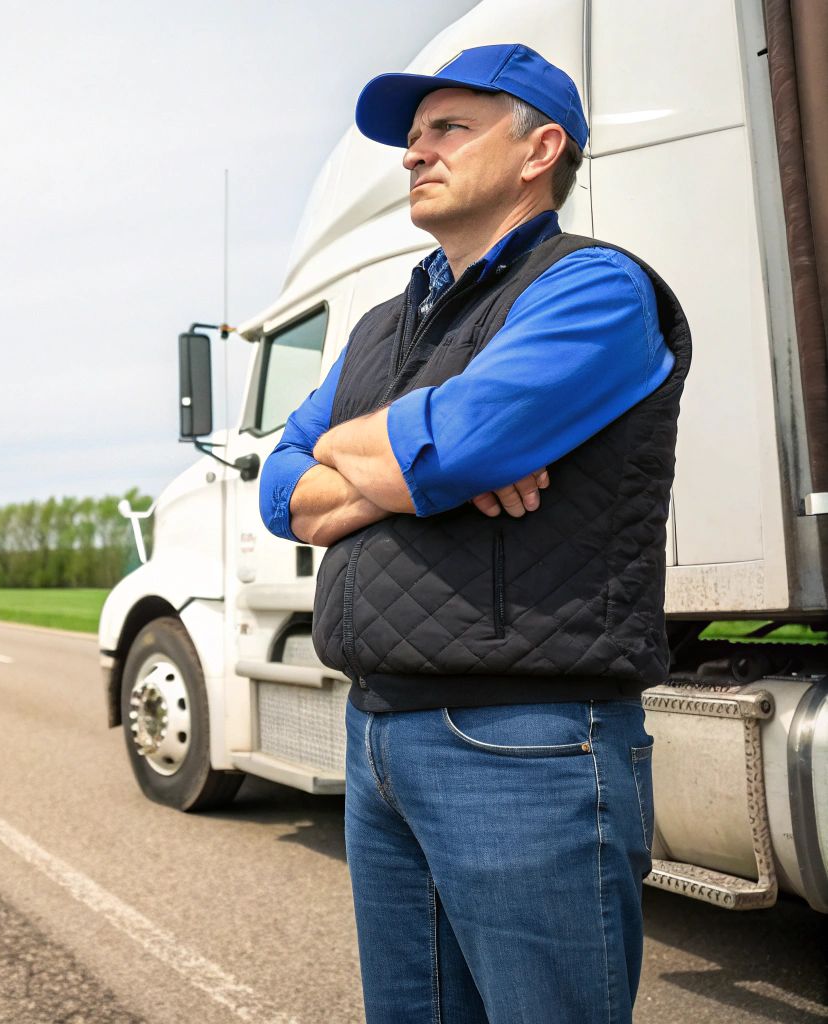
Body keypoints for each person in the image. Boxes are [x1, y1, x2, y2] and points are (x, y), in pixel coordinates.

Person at [256, 44, 690, 1023]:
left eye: (446, 128)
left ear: (540, 149)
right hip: (375, 736)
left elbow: (463, 441)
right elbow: (281, 490)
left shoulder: (593, 288)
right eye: (410, 140)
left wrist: (424, 456)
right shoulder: (376, 329)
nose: (415, 154)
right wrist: (423, 470)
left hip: (520, 742)